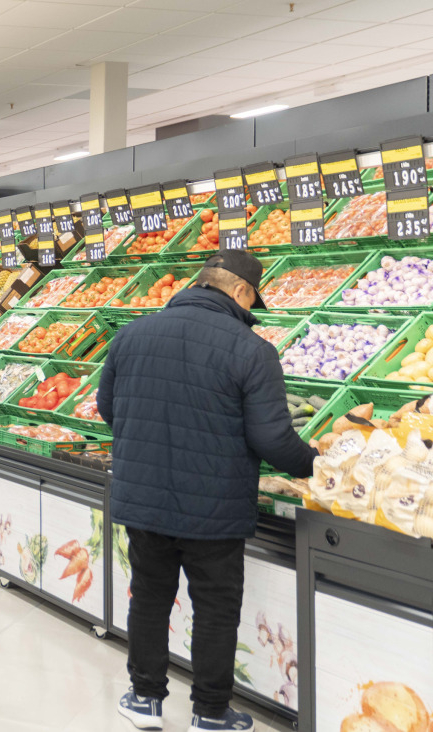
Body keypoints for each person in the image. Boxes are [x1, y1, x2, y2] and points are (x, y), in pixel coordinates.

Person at [97, 250, 317, 732]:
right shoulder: (253, 350)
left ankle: (144, 699)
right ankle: (211, 714)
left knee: (149, 598)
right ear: (241, 292)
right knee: (215, 609)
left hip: (145, 499)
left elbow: (109, 408)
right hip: (215, 509)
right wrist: (315, 464)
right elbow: (271, 439)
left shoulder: (131, 336)